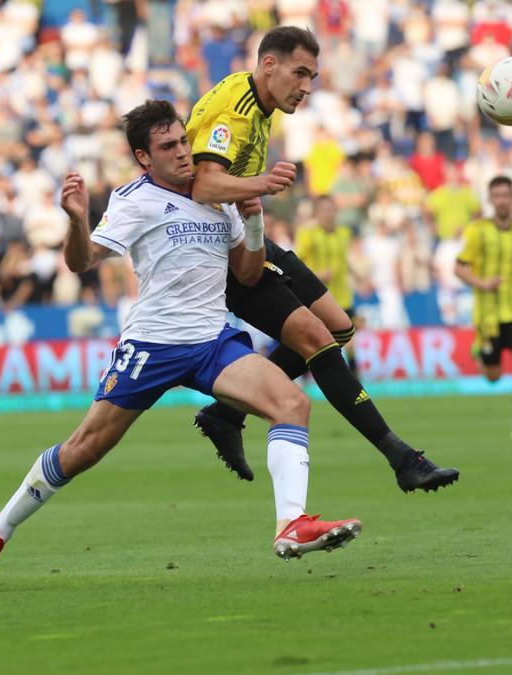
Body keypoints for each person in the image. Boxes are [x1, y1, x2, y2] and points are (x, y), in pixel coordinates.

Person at [0, 101, 362, 593]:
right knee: (84, 450)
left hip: (213, 340)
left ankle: (290, 525)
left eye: (184, 142)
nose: (184, 154)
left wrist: (253, 221)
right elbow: (81, 263)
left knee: (292, 403)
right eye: (169, 147)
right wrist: (77, 220)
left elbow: (249, 274)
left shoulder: (218, 196)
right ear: (144, 157)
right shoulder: (134, 200)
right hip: (153, 344)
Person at [185, 26, 459, 492]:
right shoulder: (237, 109)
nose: (307, 87)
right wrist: (261, 184)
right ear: (269, 64)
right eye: (300, 73)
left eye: (312, 76)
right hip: (215, 251)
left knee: (338, 325)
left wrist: (255, 195)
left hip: (244, 234)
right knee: (318, 338)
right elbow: (204, 184)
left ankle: (226, 413)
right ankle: (402, 459)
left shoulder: (260, 102)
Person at [454, 176, 512, 440]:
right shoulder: (477, 231)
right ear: (490, 200)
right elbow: (459, 267)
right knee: (493, 377)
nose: (502, 200)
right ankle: (479, 353)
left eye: (506, 195)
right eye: (497, 196)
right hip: (488, 317)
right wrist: (482, 283)